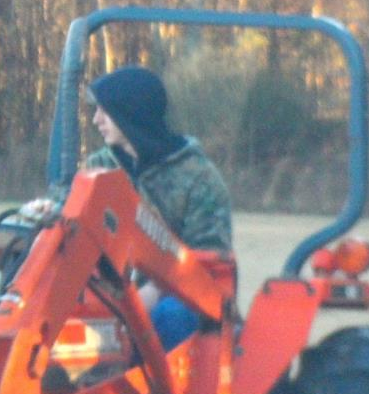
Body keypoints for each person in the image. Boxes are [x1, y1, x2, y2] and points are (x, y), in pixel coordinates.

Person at [38, 65, 232, 348]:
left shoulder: (199, 179)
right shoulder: (99, 168)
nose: (96, 119)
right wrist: (49, 212)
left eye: (105, 111)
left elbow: (208, 265)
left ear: (132, 115)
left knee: (170, 317)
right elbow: (73, 223)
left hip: (178, 299)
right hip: (109, 293)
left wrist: (153, 293)